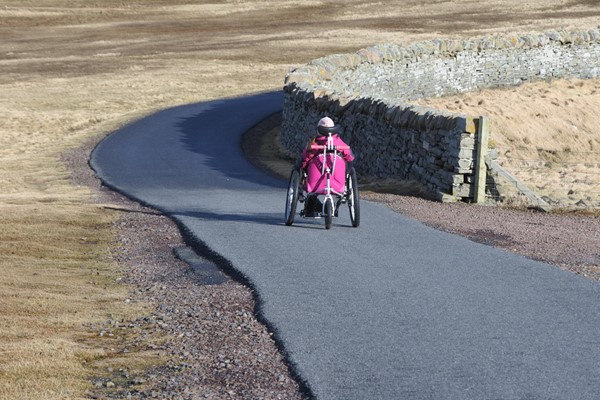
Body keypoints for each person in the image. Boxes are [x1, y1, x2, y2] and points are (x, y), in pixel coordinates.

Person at [296, 117, 355, 217]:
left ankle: (310, 205)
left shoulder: (315, 144)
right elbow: (350, 157)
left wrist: (301, 167)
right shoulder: (339, 142)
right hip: (337, 178)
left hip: (316, 180)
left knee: (302, 167)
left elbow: (305, 160)